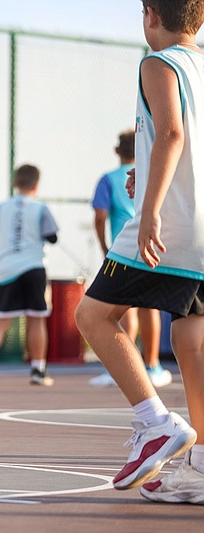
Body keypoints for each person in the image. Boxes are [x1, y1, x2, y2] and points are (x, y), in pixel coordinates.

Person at [75, 0, 204, 502]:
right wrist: (147, 168)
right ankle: (200, 466)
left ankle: (155, 423)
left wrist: (149, 208)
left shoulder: (159, 62)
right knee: (192, 343)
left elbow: (172, 131)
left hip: (170, 224)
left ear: (150, 14)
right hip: (200, 223)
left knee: (93, 317)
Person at [88, 130, 171, 388]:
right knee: (149, 308)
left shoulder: (108, 180)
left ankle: (124, 366)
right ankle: (153, 365)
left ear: (116, 151)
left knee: (121, 308)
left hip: (124, 246)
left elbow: (100, 216)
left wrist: (103, 246)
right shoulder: (153, 175)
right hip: (152, 242)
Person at [0, 164, 59, 386]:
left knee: (0, 318)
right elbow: (52, 236)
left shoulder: (1, 208)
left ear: (15, 183)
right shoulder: (40, 208)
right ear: (36, 185)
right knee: (36, 318)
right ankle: (38, 369)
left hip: (6, 268)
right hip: (33, 267)